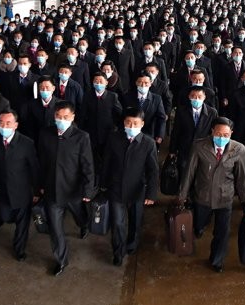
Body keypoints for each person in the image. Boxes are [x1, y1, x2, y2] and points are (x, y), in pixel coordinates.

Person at [178, 117, 245, 273]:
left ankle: (217, 260)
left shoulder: (238, 149)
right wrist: (182, 195)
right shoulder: (199, 146)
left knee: (222, 232)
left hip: (225, 198)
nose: (221, 138)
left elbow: (241, 176)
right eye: (218, 134)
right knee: (199, 223)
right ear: (212, 132)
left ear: (231, 133)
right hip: (203, 196)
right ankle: (200, 227)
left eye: (225, 135)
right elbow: (189, 172)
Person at [37, 102, 96, 276]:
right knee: (55, 228)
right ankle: (61, 260)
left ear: (72, 117)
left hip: (73, 191)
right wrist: (39, 185)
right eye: (58, 117)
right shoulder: (45, 134)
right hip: (51, 191)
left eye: (65, 117)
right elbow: (40, 162)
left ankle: (83, 225)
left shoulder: (81, 137)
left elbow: (88, 166)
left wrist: (88, 190)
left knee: (80, 216)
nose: (61, 120)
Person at [103, 108, 160, 266]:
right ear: (123, 123)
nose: (132, 126)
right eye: (128, 122)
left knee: (135, 221)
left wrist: (151, 193)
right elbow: (106, 163)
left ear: (142, 124)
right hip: (116, 189)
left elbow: (153, 170)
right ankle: (118, 252)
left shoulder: (148, 143)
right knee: (117, 223)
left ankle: (132, 244)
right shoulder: (114, 138)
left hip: (137, 190)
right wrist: (102, 185)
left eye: (135, 123)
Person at [0, 110, 40, 261]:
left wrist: (36, 190)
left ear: (15, 125)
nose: (4, 126)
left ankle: (19, 249)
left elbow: (34, 168)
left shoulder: (26, 143)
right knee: (6, 216)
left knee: (22, 224)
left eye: (8, 123)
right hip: (2, 189)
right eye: (1, 123)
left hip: (22, 191)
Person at [124, 74, 167, 145]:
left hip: (149, 134)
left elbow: (162, 118)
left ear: (150, 83)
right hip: (130, 133)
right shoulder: (127, 97)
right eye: (140, 82)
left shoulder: (157, 99)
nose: (143, 85)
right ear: (136, 83)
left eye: (146, 83)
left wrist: (160, 135)